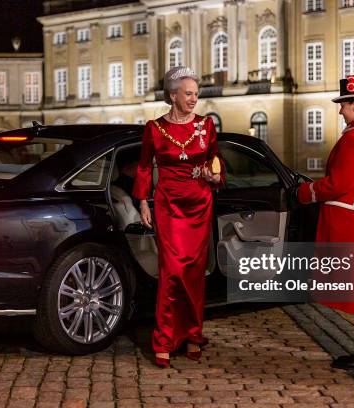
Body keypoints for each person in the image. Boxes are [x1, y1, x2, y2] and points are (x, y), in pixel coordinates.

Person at [132, 66, 224, 368]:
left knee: (194, 274)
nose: (194, 99)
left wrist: (214, 176)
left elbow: (215, 160)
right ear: (173, 95)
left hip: (199, 203)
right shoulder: (154, 128)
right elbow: (144, 167)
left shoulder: (206, 125)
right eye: (188, 94)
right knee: (172, 272)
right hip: (169, 206)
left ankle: (193, 334)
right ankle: (164, 339)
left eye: (196, 94)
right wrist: (143, 202)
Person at [297, 76, 354, 370]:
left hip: (350, 220)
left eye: (343, 106)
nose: (340, 111)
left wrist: (305, 192)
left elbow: (337, 184)